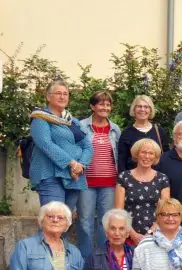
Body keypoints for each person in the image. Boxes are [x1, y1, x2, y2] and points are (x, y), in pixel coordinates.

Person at [29, 80, 93, 208]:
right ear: (48, 96)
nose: (62, 97)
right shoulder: (40, 118)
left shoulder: (73, 122)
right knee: (52, 220)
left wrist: (81, 166)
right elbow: (45, 144)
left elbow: (87, 146)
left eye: (65, 94)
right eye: (58, 93)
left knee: (65, 222)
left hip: (73, 176)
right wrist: (72, 163)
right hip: (50, 175)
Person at [79, 90, 121, 257]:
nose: (105, 107)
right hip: (86, 182)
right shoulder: (81, 127)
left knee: (106, 222)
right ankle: (87, 259)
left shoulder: (115, 129)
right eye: (101, 103)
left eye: (108, 104)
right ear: (92, 106)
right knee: (84, 222)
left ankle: (104, 259)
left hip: (109, 183)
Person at [115, 139, 170, 244]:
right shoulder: (124, 177)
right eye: (143, 152)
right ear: (137, 154)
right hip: (127, 235)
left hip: (156, 236)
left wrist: (149, 234)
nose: (147, 156)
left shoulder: (162, 179)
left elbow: (164, 211)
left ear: (155, 157)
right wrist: (133, 235)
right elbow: (119, 211)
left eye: (151, 153)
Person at [117, 94, 169, 171]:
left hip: (156, 178)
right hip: (133, 179)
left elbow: (166, 155)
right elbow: (121, 160)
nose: (142, 109)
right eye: (139, 106)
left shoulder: (158, 131)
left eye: (146, 107)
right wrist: (123, 180)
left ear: (150, 110)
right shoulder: (126, 133)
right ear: (134, 109)